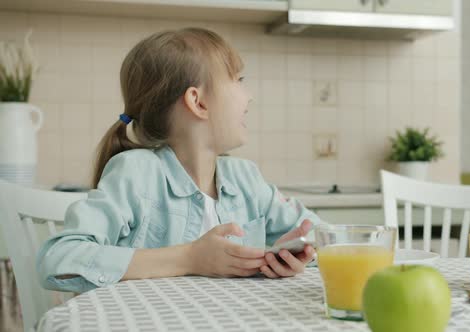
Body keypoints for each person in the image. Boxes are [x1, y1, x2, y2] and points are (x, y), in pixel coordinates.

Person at [36, 28, 321, 293]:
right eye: (238, 80)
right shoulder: (137, 173)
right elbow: (58, 259)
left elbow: (326, 237)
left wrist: (295, 255)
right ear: (198, 102)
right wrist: (189, 258)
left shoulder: (246, 178)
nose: (249, 96)